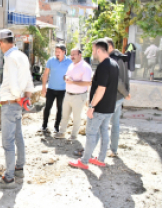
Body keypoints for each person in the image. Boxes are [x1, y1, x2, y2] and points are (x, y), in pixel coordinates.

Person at [0, 29, 34, 189]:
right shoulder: (22, 56)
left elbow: (14, 84)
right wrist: (25, 97)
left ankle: (8, 179)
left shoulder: (9, 58)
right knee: (18, 136)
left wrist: (16, 96)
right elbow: (28, 81)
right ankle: (19, 169)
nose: (0, 47)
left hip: (10, 103)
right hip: (18, 103)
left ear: (1, 43)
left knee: (7, 141)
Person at [69, 39, 119, 169]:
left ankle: (84, 161)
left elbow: (101, 89)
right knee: (104, 132)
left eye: (92, 50)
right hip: (109, 107)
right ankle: (101, 159)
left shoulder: (103, 66)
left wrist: (92, 106)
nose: (92, 53)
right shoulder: (114, 64)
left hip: (100, 108)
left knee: (91, 134)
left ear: (98, 50)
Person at [54, 48, 92, 140]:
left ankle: (74, 136)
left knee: (76, 117)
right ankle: (62, 133)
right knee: (64, 116)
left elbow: (88, 83)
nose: (72, 56)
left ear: (80, 55)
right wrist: (66, 77)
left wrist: (73, 82)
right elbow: (66, 76)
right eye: (71, 55)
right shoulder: (71, 65)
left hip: (78, 96)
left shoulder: (85, 67)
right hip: (68, 94)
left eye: (74, 54)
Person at [104, 37, 131, 157]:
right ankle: (113, 150)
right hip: (119, 96)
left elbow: (117, 80)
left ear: (110, 47)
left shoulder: (113, 59)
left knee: (103, 124)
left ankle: (101, 151)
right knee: (115, 123)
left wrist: (125, 93)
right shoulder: (121, 56)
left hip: (114, 97)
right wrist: (125, 93)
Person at [40, 44, 72, 133]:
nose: (56, 53)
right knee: (47, 107)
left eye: (58, 52)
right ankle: (44, 125)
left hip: (63, 90)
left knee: (60, 109)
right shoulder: (51, 60)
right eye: (55, 51)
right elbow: (45, 74)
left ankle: (56, 127)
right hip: (51, 89)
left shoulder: (69, 62)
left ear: (64, 52)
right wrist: (43, 87)